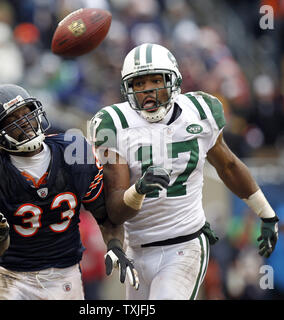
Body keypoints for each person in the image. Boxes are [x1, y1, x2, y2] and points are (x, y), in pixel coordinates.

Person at [88, 43, 279, 300]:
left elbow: (228, 166)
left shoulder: (199, 112)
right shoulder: (115, 124)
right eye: (139, 84)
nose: (148, 91)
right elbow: (114, 209)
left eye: (156, 80)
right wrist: (139, 190)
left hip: (185, 243)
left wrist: (266, 213)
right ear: (127, 88)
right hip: (137, 248)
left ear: (174, 81)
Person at [0, 84, 139, 300]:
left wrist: (115, 245)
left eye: (26, 113)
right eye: (12, 119)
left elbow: (105, 217)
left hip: (64, 276)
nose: (25, 122)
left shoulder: (73, 151)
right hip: (12, 278)